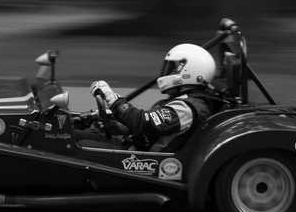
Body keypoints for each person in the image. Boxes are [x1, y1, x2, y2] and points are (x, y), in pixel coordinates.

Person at [81, 43, 223, 152]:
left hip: (138, 160)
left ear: (189, 72)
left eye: (173, 68)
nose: (167, 72)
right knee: (73, 136)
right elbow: (153, 129)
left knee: (75, 147)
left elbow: (142, 122)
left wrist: (110, 96)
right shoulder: (185, 101)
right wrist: (121, 127)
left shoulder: (187, 109)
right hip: (131, 146)